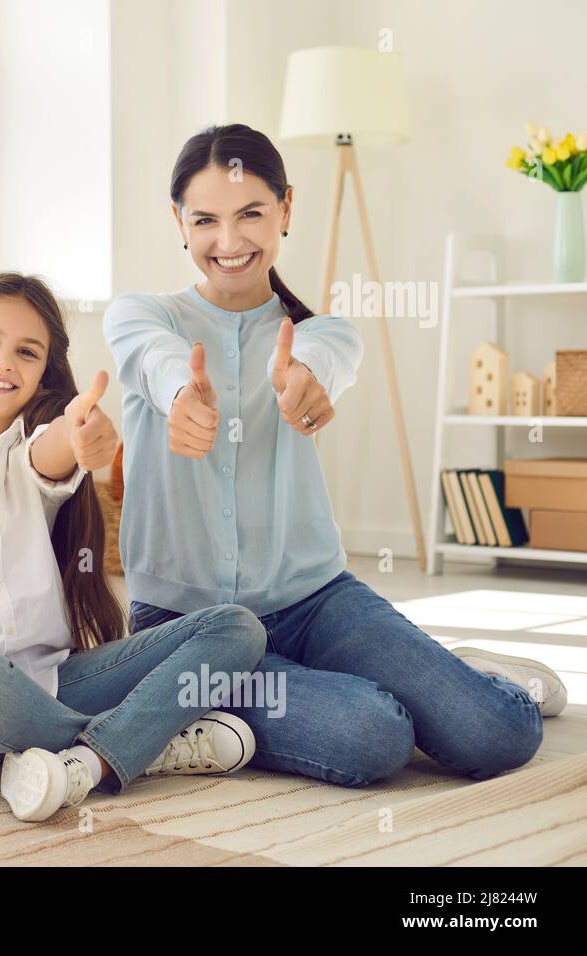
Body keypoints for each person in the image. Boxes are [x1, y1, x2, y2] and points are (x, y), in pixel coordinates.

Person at [102, 123, 564, 790]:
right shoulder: (140, 316)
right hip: (188, 626)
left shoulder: (324, 332)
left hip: (314, 601)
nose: (228, 242)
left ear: (286, 209)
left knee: (500, 732)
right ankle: (244, 693)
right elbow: (155, 360)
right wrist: (182, 396)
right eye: (205, 220)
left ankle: (468, 674)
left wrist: (304, 382)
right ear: (179, 221)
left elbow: (324, 357)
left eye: (251, 215)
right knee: (373, 736)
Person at [0, 271, 266, 822]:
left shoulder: (32, 449)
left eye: (26, 352)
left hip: (51, 684)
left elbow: (54, 450)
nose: (4, 361)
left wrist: (84, 436)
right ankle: (139, 749)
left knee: (235, 627)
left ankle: (87, 762)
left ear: (42, 376)